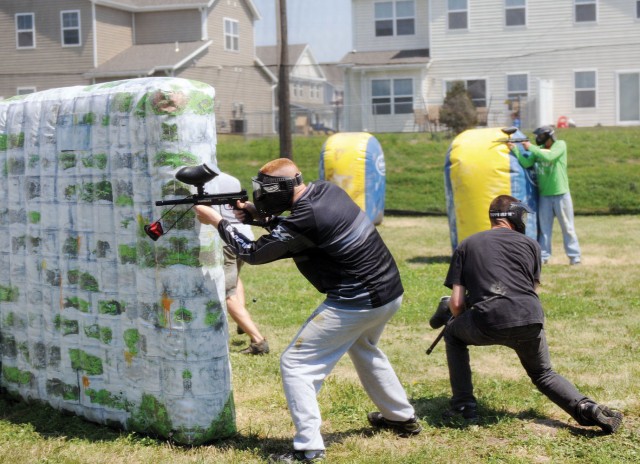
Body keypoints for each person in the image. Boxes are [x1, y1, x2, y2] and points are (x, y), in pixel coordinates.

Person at [195, 158, 420, 463]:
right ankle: (401, 417)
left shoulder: (306, 216)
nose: (259, 196)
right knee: (364, 348)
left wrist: (218, 221)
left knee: (296, 364)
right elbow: (300, 228)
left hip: (358, 300)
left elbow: (254, 253)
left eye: (264, 190)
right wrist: (253, 217)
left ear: (282, 188)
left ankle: (308, 448)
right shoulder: (326, 191)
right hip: (388, 293)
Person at [440, 194, 623, 433]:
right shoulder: (531, 245)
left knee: (453, 335)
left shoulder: (467, 244)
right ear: (514, 216)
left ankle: (463, 407)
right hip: (530, 318)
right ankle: (587, 408)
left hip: (488, 321)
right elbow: (530, 289)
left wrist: (466, 312)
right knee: (543, 373)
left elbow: (455, 304)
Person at [508, 126, 581, 265]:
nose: (539, 138)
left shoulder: (560, 145)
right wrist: (515, 149)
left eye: (541, 135)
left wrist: (531, 147)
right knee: (545, 229)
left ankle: (574, 257)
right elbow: (527, 162)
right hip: (545, 196)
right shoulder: (539, 149)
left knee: (567, 227)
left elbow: (550, 156)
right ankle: (543, 257)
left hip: (561, 194)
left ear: (549, 136)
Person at [215, 172, 269, 355]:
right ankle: (241, 321)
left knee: (226, 293)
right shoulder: (231, 178)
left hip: (225, 238)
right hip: (244, 234)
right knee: (235, 279)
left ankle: (258, 341)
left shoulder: (205, 182)